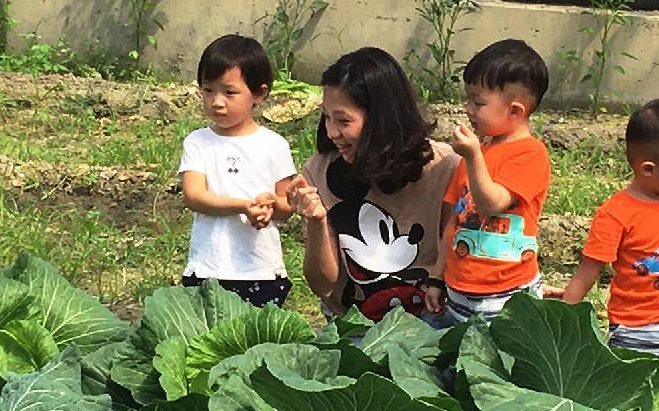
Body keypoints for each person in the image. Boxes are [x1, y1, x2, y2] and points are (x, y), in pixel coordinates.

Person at [286, 48, 457, 322]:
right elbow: (322, 285)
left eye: (343, 121)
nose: (331, 132)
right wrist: (318, 221)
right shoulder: (319, 171)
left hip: (428, 323)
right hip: (353, 326)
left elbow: (459, 251)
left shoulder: (443, 167)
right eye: (326, 117)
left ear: (383, 119)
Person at [555, 98, 659, 366]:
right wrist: (559, 319)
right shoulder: (615, 215)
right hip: (638, 331)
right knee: (636, 394)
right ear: (648, 169)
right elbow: (588, 271)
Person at [430, 39, 551, 324]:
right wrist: (436, 277)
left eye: (478, 101)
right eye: (468, 98)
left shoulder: (530, 154)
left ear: (515, 111)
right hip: (459, 290)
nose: (468, 108)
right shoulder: (478, 153)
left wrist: (473, 157)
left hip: (507, 294)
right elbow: (454, 221)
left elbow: (491, 204)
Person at [177, 34, 296, 307]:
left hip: (260, 268)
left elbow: (285, 207)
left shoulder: (274, 145)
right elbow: (194, 196)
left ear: (259, 94)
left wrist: (269, 205)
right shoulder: (198, 141)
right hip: (209, 266)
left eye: (229, 93)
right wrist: (244, 205)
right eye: (208, 90)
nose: (217, 102)